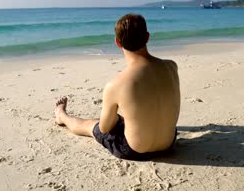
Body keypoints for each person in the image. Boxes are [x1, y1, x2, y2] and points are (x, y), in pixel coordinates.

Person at [54, 14, 181, 160]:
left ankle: (61, 116)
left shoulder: (116, 84)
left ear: (117, 42)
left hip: (134, 150)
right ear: (147, 37)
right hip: (168, 145)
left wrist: (114, 120)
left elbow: (104, 129)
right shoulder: (171, 67)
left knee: (93, 126)